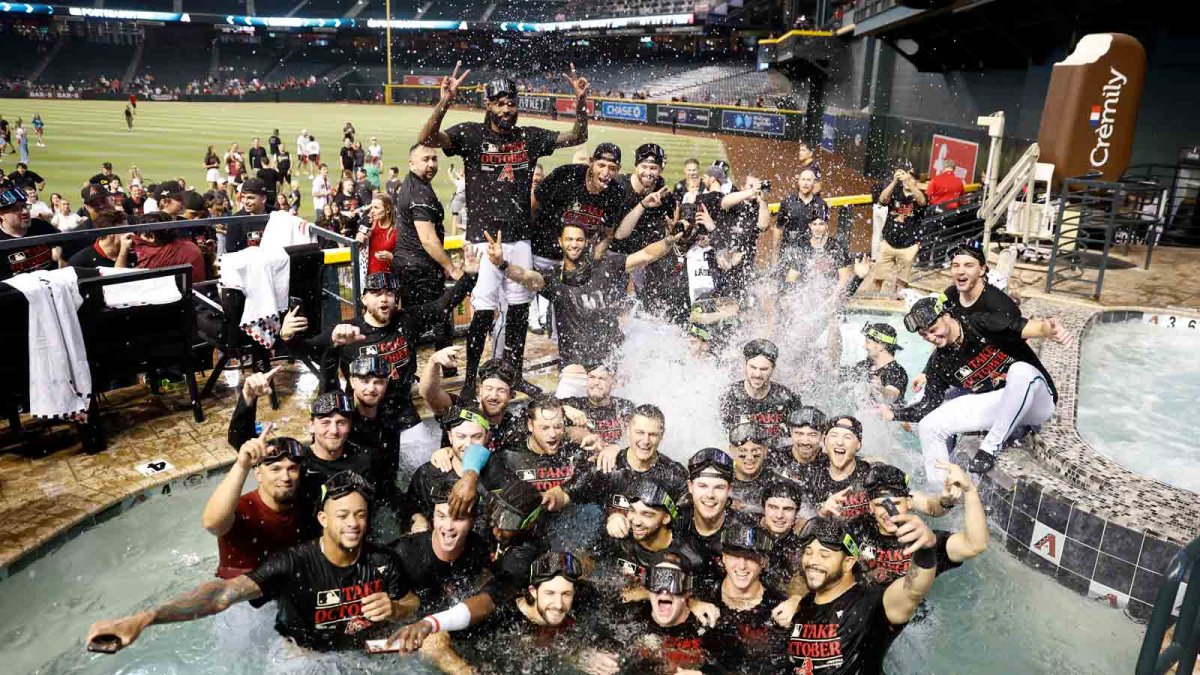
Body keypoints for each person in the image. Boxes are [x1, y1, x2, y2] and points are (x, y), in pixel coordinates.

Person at [85, 472, 419, 653]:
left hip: (364, 651)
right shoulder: (293, 564)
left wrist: (395, 609)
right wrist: (147, 618)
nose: (353, 523)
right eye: (342, 515)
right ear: (322, 518)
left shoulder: (382, 559)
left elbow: (410, 601)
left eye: (360, 515)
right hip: (304, 659)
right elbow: (221, 596)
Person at [417, 65, 590, 399]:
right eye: (499, 102)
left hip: (519, 239)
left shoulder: (529, 137)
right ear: (488, 105)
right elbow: (426, 139)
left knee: (519, 310)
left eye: (511, 102)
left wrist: (581, 103)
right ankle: (470, 383)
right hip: (482, 239)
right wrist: (444, 103)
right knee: (482, 313)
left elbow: (577, 137)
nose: (506, 109)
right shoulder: (470, 134)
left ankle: (514, 374)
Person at [281, 264, 480, 457]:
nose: (384, 299)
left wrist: (470, 275)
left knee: (424, 464)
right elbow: (304, 351)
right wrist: (287, 336)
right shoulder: (346, 331)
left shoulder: (407, 321)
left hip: (403, 414)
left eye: (389, 294)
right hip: (362, 419)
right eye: (376, 294)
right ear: (364, 299)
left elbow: (442, 305)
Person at [877, 294, 1068, 480]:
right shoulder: (940, 362)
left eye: (933, 329)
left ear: (946, 315)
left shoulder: (981, 324)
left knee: (1020, 371)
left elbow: (1023, 326)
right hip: (1000, 406)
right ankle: (941, 492)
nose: (931, 337)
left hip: (1037, 401)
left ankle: (991, 446)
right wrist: (895, 413)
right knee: (929, 426)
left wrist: (1047, 329)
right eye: (924, 335)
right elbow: (928, 405)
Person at [484, 222, 680, 377]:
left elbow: (645, 255)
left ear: (586, 242)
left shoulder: (607, 266)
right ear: (560, 242)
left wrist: (669, 241)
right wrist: (502, 264)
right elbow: (526, 277)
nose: (574, 244)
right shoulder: (553, 278)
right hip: (575, 365)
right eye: (569, 239)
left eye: (579, 239)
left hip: (612, 360)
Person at [782, 515, 938, 674]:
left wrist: (925, 549)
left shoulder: (871, 604)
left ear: (848, 563)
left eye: (824, 555)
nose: (812, 561)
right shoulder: (801, 606)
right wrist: (795, 598)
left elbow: (912, 590)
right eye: (808, 552)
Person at [851, 462, 988, 587]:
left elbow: (976, 545)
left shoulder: (926, 542)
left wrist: (970, 490)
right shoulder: (858, 529)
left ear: (909, 503)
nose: (889, 512)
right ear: (870, 507)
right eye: (881, 505)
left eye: (896, 504)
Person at [201, 427, 303, 579]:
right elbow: (212, 524)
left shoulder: (305, 504)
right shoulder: (241, 508)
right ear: (258, 475)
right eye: (275, 469)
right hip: (241, 594)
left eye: (292, 469)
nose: (285, 477)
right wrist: (242, 466)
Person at [393, 143, 458, 359]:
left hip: (408, 266)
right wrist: (450, 266)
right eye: (425, 159)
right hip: (419, 269)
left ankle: (409, 373)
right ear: (412, 163)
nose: (431, 164)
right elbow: (428, 239)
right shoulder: (420, 192)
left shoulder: (411, 184)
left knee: (412, 323)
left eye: (434, 159)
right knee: (442, 318)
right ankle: (445, 371)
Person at [704, 523, 790, 674]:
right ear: (724, 558)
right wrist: (691, 602)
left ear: (763, 562)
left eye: (750, 557)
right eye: (735, 556)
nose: (742, 566)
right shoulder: (703, 597)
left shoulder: (780, 608)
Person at [610, 561, 724, 672]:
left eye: (673, 583)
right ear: (648, 589)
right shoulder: (631, 615)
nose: (664, 591)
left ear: (687, 591)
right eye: (658, 581)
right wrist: (594, 656)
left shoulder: (706, 625)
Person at [531, 142, 626, 263]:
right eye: (601, 165)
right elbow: (534, 202)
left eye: (612, 168)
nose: (606, 172)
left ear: (618, 169)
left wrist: (593, 258)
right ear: (591, 162)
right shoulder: (565, 174)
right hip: (541, 250)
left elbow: (607, 234)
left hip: (575, 259)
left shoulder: (616, 193)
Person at [719, 339, 800, 446]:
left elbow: (798, 437)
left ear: (773, 369)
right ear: (745, 365)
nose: (757, 374)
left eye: (764, 369)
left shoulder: (786, 398)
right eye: (753, 367)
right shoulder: (730, 396)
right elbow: (723, 440)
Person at [873, 159, 927, 296]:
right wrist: (894, 181)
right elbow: (882, 199)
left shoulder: (920, 194)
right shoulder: (895, 191)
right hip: (888, 243)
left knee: (901, 283)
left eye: (911, 176)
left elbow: (922, 202)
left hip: (908, 245)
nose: (906, 178)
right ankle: (875, 301)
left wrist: (910, 184)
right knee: (878, 278)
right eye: (905, 175)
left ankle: (896, 304)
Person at [677, 447, 735, 567]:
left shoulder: (740, 527)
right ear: (690, 486)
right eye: (702, 486)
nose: (710, 495)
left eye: (719, 487)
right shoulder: (675, 522)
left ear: (729, 490)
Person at [560, 361, 635, 452]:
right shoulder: (574, 405)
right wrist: (564, 408)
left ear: (613, 383)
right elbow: (541, 404)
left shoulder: (624, 406)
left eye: (602, 378)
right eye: (592, 377)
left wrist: (617, 447)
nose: (596, 382)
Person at [813, 416, 873, 521]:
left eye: (847, 437)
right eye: (834, 435)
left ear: (858, 444)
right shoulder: (813, 477)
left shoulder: (870, 473)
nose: (840, 442)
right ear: (824, 440)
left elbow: (908, 498)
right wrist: (822, 513)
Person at [0, 184, 60, 279]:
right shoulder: (2, 243)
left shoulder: (41, 226)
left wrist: (57, 248)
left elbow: (64, 243)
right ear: (2, 214)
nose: (24, 212)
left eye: (25, 206)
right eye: (16, 209)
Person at [845, 322, 908, 403]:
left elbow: (892, 395)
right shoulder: (865, 366)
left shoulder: (896, 372)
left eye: (868, 342)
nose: (864, 346)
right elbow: (835, 373)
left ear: (881, 346)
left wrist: (881, 389)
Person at [767, 406, 828, 489]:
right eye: (799, 434)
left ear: (822, 437)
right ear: (791, 433)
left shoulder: (828, 463)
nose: (805, 441)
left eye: (812, 434)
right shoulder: (775, 458)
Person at [776, 167, 828, 257]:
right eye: (803, 179)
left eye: (809, 180)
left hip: (810, 252)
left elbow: (824, 231)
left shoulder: (821, 204)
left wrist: (821, 253)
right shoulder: (788, 202)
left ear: (814, 183)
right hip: (788, 250)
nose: (805, 183)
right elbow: (778, 228)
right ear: (798, 182)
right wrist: (775, 254)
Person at [727, 423, 771, 516]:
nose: (750, 457)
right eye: (743, 451)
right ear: (731, 450)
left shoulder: (776, 483)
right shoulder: (722, 479)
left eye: (755, 450)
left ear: (765, 450)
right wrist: (726, 503)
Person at [67, 209, 134, 269]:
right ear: (111, 233)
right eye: (126, 229)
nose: (131, 233)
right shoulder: (79, 262)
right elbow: (118, 281)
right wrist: (123, 253)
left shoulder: (133, 254)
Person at [356, 193, 398, 276]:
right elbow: (357, 250)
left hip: (388, 282)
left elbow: (406, 259)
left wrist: (391, 257)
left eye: (376, 207)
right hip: (366, 280)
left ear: (388, 209)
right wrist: (359, 240)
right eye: (372, 207)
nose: (372, 211)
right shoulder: (369, 225)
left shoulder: (397, 231)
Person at [224, 177, 270, 252]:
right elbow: (230, 249)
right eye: (243, 197)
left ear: (264, 199)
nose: (245, 201)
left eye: (250, 198)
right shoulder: (236, 220)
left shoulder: (276, 216)